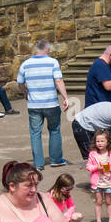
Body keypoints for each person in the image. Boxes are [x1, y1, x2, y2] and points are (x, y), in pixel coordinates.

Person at [18, 39, 71, 170]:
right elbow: (58, 80)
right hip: (51, 103)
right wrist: (65, 97)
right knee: (54, 130)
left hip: (34, 105)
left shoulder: (25, 64)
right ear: (47, 50)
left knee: (35, 133)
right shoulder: (53, 62)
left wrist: (25, 93)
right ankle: (56, 159)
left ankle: (38, 163)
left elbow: (20, 83)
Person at [86, 130, 111, 222]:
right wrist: (96, 167)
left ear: (108, 142)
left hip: (108, 182)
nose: (100, 143)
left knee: (108, 201)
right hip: (97, 183)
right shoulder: (93, 153)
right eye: (98, 141)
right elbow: (88, 166)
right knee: (98, 201)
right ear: (95, 142)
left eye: (102, 141)